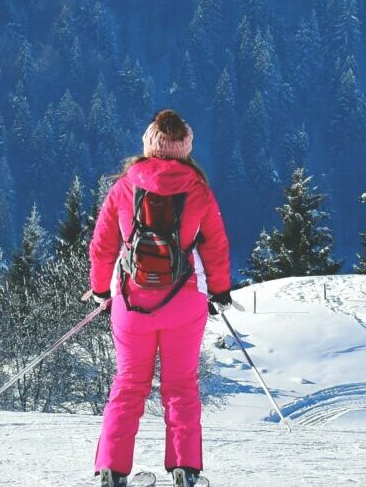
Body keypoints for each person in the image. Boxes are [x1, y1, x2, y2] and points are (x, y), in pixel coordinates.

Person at [89, 109, 232, 487]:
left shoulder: (123, 187)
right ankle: (185, 471)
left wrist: (102, 288)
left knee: (128, 384)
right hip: (184, 301)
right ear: (185, 148)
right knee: (181, 386)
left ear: (150, 143)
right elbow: (215, 245)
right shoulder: (198, 189)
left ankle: (111, 470)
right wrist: (219, 290)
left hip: (131, 303)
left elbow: (103, 246)